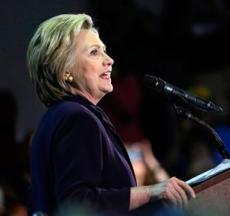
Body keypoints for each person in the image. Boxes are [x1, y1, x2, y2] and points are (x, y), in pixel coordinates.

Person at [27, 14, 195, 215]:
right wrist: (151, 191)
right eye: (94, 52)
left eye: (104, 51)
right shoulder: (76, 118)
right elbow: (78, 203)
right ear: (65, 70)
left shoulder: (57, 117)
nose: (109, 60)